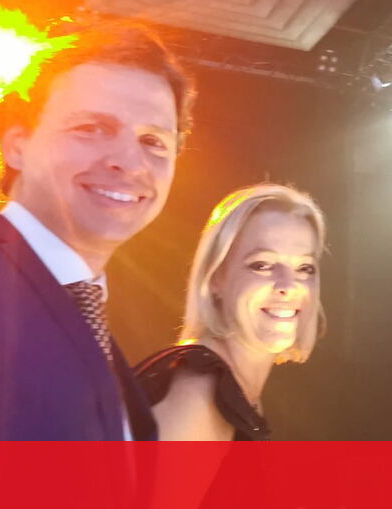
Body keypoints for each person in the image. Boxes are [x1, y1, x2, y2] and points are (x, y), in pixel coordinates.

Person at [0, 19, 193, 440]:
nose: (130, 162)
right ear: (17, 145)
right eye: (92, 128)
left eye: (153, 141)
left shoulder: (111, 364)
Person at [135, 184, 327, 440]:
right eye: (262, 265)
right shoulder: (196, 397)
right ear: (216, 277)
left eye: (304, 268)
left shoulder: (233, 391)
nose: (288, 285)